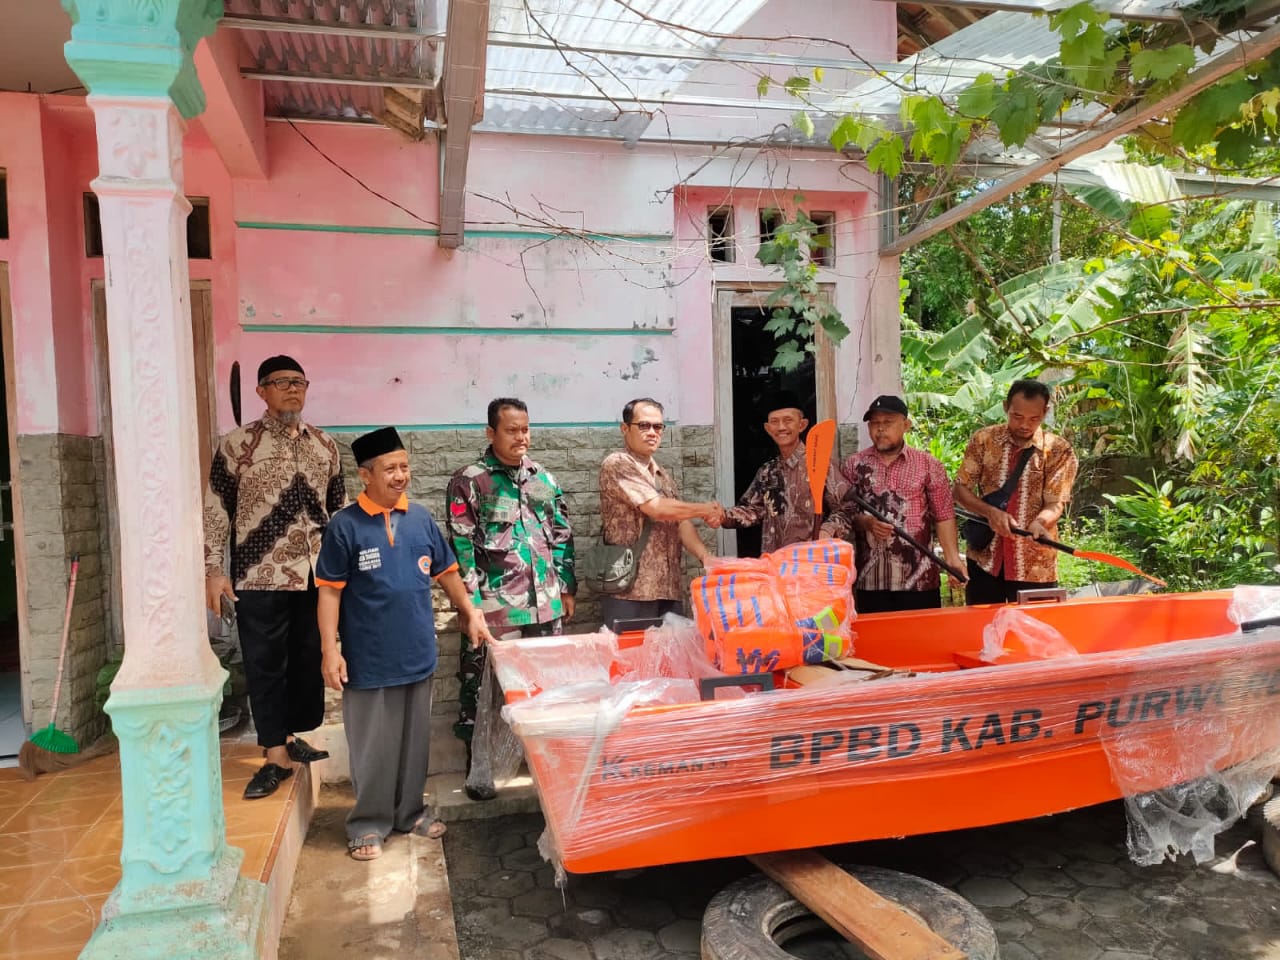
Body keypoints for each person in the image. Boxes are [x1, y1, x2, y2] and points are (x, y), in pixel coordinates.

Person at [316, 427, 493, 860]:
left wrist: (470, 612)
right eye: (390, 469)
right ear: (365, 475)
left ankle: (410, 812)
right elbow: (330, 592)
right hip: (368, 658)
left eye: (404, 467)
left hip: (417, 652)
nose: (401, 476)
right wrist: (330, 650)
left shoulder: (420, 519)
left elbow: (447, 572)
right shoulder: (344, 526)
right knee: (373, 747)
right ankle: (368, 823)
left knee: (414, 744)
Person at [204, 355, 343, 800]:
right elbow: (215, 509)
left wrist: (344, 568)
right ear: (261, 392)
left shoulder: (325, 445)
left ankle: (289, 735)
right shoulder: (237, 445)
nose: (292, 389)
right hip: (259, 574)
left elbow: (338, 510)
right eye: (281, 382)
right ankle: (274, 755)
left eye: (298, 382)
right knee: (265, 665)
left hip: (315, 574)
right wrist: (213, 570)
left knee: (305, 660)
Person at [445, 397, 575, 801]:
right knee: (482, 689)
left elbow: (561, 533)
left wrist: (566, 587)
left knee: (546, 688)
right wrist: (470, 606)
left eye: (525, 429)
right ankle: (480, 770)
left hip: (545, 605)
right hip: (496, 610)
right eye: (511, 430)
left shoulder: (542, 478)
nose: (521, 437)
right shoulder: (471, 481)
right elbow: (461, 547)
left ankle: (543, 768)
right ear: (491, 433)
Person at [822, 395, 965, 613]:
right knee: (878, 635)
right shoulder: (854, 465)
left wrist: (953, 558)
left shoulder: (928, 465)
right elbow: (847, 514)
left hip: (919, 578)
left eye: (887, 422)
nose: (880, 429)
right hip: (871, 579)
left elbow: (943, 515)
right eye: (874, 423)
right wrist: (868, 523)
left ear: (906, 425)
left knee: (921, 635)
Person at [598, 397, 723, 630]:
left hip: (668, 588)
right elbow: (656, 508)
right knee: (632, 652)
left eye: (658, 427)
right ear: (625, 428)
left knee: (671, 653)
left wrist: (706, 558)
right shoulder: (617, 463)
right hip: (630, 590)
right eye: (643, 425)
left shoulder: (661, 475)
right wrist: (704, 509)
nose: (652, 432)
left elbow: (681, 522)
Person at [954, 379, 1079, 605]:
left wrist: (1041, 523)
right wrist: (991, 513)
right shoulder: (984, 440)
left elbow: (1055, 503)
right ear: (1006, 407)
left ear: (1045, 412)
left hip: (1034, 565)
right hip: (985, 560)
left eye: (1034, 419)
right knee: (983, 624)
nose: (1025, 425)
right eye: (1017, 416)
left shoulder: (1059, 450)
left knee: (1031, 626)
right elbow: (960, 490)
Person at [720, 392, 848, 554]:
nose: (781, 427)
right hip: (774, 561)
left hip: (811, 560)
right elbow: (753, 510)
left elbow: (847, 508)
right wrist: (722, 515)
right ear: (768, 429)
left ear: (802, 425)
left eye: (788, 420)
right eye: (774, 421)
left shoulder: (820, 464)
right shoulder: (767, 471)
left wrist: (827, 531)